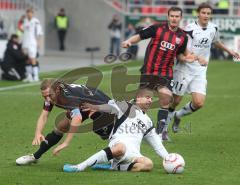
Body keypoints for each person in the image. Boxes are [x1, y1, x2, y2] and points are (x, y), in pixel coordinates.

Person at [121, 7, 207, 140]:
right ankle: (135, 128)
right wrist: (129, 41)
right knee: (143, 103)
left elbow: (183, 54)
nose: (174, 18)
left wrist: (196, 58)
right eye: (172, 16)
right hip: (149, 70)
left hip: (166, 73)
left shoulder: (182, 36)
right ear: (168, 17)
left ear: (180, 18)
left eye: (177, 16)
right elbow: (140, 36)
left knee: (166, 98)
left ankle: (159, 133)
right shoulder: (157, 28)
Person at [166, 3, 240, 134]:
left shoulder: (213, 28)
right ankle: (163, 128)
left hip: (200, 70)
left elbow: (216, 42)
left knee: (199, 103)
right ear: (198, 13)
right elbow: (182, 48)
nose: (206, 15)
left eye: (208, 13)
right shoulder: (189, 29)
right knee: (176, 100)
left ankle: (178, 116)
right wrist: (194, 58)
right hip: (184, 68)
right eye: (203, 13)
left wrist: (230, 51)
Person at [63, 88, 169, 172]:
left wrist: (169, 159)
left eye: (151, 98)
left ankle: (113, 167)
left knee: (148, 164)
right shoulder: (126, 106)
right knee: (120, 148)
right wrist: (94, 107)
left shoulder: (148, 121)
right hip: (118, 144)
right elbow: (109, 106)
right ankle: (79, 167)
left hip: (133, 154)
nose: (150, 100)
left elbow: (157, 146)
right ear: (138, 98)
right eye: (147, 97)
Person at [16, 79, 115, 165]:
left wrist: (66, 143)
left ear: (58, 90)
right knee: (61, 127)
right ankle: (35, 156)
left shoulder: (68, 97)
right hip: (83, 105)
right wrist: (38, 133)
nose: (48, 99)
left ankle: (117, 151)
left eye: (50, 95)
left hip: (105, 107)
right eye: (44, 96)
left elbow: (77, 118)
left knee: (104, 133)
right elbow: (44, 115)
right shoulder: (52, 94)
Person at [22, 8, 43, 82]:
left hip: (32, 43)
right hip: (25, 43)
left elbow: (39, 33)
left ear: (32, 13)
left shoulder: (36, 21)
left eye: (30, 12)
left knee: (33, 59)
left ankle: (36, 77)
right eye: (27, 12)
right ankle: (29, 76)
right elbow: (24, 32)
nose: (29, 14)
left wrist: (39, 42)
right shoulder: (25, 21)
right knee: (27, 60)